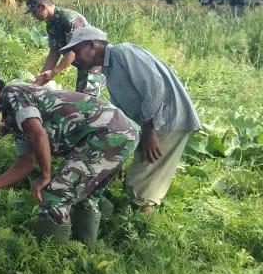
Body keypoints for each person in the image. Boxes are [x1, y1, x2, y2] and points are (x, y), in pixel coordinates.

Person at [0, 65, 139, 247]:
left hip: (107, 134)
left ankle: (51, 263)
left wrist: (46, 176)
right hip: (122, 132)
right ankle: (83, 253)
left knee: (55, 196)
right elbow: (26, 161)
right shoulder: (12, 114)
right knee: (85, 196)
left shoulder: (11, 93)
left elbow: (38, 133)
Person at [63, 26, 203, 214]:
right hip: (153, 124)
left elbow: (154, 88)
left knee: (141, 185)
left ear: (91, 46)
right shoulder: (109, 69)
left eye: (76, 51)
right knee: (139, 179)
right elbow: (122, 111)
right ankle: (138, 221)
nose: (74, 60)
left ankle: (142, 232)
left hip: (167, 121)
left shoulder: (122, 52)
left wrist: (150, 129)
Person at [25, 0, 103, 96]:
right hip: (83, 66)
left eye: (34, 12)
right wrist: (41, 79)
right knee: (80, 99)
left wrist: (54, 73)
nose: (33, 16)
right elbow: (54, 52)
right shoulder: (51, 25)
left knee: (88, 101)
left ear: (42, 7)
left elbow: (73, 51)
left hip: (94, 65)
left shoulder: (69, 18)